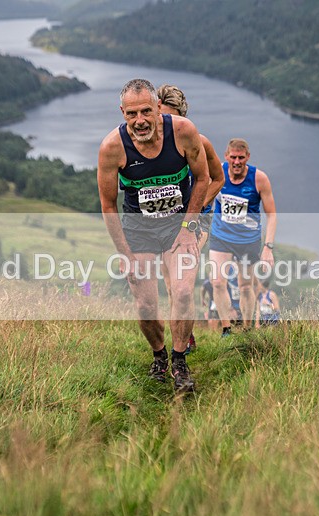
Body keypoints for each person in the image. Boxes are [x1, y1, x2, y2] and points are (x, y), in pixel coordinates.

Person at [97, 78, 209, 392]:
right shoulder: (112, 147)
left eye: (147, 111)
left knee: (184, 292)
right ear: (122, 112)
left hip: (178, 227)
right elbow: (108, 203)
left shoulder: (183, 131)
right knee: (146, 304)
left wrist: (189, 228)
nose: (140, 120)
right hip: (139, 230)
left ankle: (179, 361)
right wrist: (125, 254)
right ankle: (159, 356)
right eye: (132, 114)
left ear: (158, 109)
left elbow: (203, 179)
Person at [156, 83, 225, 353]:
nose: (169, 121)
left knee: (182, 281)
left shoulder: (199, 140)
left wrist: (196, 208)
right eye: (164, 115)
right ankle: (188, 333)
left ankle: (181, 346)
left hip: (197, 219)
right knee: (171, 286)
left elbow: (218, 179)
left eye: (175, 116)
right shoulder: (154, 146)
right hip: (165, 220)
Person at [209, 138, 277, 335]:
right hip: (220, 236)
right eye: (233, 157)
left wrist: (268, 247)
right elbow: (203, 195)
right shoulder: (218, 172)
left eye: (241, 158)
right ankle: (226, 329)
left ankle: (247, 329)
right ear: (226, 156)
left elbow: (271, 215)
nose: (237, 162)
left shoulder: (259, 179)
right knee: (218, 282)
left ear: (247, 157)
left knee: (245, 287)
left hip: (248, 241)